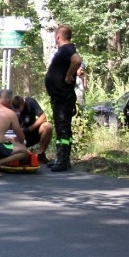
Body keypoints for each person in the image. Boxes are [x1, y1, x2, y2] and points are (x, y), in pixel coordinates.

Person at [45, 24, 83, 173]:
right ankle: (62, 157)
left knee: (63, 128)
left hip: (63, 97)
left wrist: (68, 75)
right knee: (62, 128)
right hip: (59, 97)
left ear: (58, 36)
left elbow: (77, 60)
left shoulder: (67, 49)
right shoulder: (65, 51)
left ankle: (63, 160)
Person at [10, 95, 54, 165]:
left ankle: (41, 154)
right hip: (18, 137)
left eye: (19, 109)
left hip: (31, 133)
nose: (17, 111)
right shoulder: (11, 107)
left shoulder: (30, 102)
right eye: (16, 109)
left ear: (22, 104)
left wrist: (29, 129)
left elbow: (43, 117)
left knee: (47, 126)